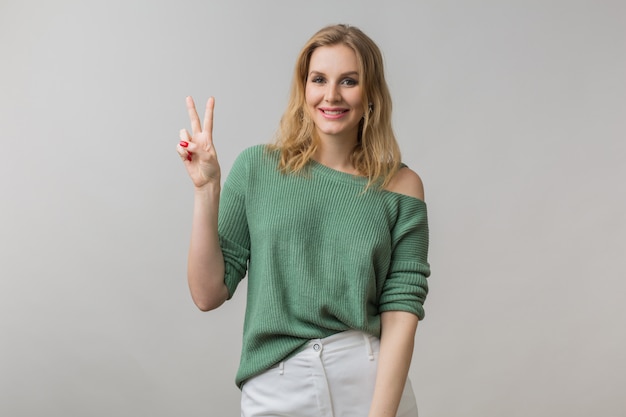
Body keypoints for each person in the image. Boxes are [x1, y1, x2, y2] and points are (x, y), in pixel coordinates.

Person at [176, 24, 430, 417]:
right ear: (304, 89)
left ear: (371, 94)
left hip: (370, 388)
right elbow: (207, 294)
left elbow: (401, 313)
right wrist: (206, 190)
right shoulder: (257, 168)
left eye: (349, 81)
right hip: (277, 389)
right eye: (319, 80)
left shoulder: (401, 186)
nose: (331, 95)